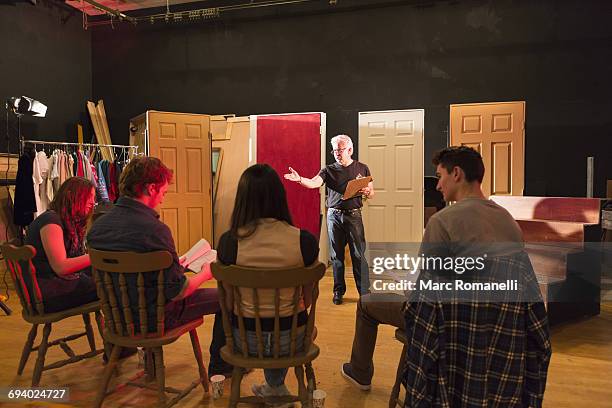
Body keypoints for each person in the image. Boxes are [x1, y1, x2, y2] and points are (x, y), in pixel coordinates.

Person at [340, 146, 551, 406]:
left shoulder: (443, 222)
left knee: (366, 303)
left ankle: (360, 372)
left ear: (457, 174)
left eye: (440, 176)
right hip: (502, 327)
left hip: (452, 326)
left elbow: (423, 296)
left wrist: (404, 279)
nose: (438, 185)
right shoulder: (509, 221)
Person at [87, 156, 231, 376]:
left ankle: (125, 353)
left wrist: (176, 265)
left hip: (118, 320)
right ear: (151, 188)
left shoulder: (97, 227)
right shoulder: (154, 230)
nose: (163, 198)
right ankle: (222, 369)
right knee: (228, 296)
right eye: (163, 192)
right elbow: (179, 291)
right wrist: (205, 273)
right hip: (157, 317)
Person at [217, 164, 319, 405]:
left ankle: (275, 388)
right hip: (291, 340)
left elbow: (229, 303)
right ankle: (276, 388)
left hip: (245, 340)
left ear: (242, 199)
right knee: (297, 324)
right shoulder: (304, 241)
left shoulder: (229, 243)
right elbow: (309, 299)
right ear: (279, 197)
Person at [284, 134, 373, 305]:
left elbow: (371, 192)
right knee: (336, 257)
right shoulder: (328, 170)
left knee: (358, 255)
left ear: (350, 150)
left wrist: (368, 192)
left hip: (354, 215)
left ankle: (365, 293)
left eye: (340, 150)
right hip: (334, 216)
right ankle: (338, 291)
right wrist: (300, 179)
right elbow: (314, 183)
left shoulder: (362, 168)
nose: (337, 154)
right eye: (334, 151)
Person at [24, 176, 98, 313]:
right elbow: (61, 267)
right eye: (89, 197)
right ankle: (127, 330)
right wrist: (96, 256)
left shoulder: (67, 221)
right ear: (72, 197)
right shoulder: (51, 220)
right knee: (109, 287)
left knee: (105, 276)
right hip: (45, 292)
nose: (93, 202)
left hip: (50, 284)